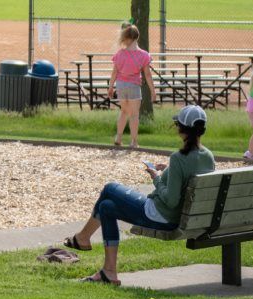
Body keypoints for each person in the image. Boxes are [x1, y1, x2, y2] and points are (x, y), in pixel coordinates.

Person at [62, 105, 217, 285]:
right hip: (183, 217)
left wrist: (157, 178)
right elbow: (187, 179)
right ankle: (108, 272)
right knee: (106, 207)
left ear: (181, 129)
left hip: (161, 216)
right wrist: (169, 172)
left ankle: (82, 238)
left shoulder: (179, 158)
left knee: (110, 188)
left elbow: (172, 201)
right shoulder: (208, 156)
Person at [109, 24, 154, 148]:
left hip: (121, 85)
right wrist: (153, 91)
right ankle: (134, 141)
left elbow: (114, 72)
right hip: (134, 86)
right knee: (134, 115)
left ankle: (119, 136)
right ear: (137, 37)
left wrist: (110, 87)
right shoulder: (144, 55)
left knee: (124, 111)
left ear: (127, 38)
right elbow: (148, 75)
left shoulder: (120, 54)